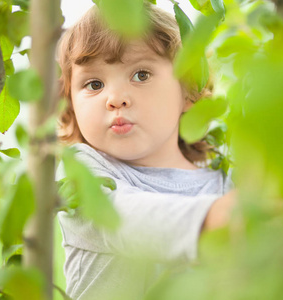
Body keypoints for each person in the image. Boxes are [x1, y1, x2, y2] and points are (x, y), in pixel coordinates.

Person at [56, 3, 236, 299]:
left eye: (141, 75)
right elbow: (124, 221)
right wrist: (212, 219)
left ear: (188, 90)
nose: (115, 99)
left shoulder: (226, 179)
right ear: (71, 104)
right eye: (94, 83)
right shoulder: (84, 170)